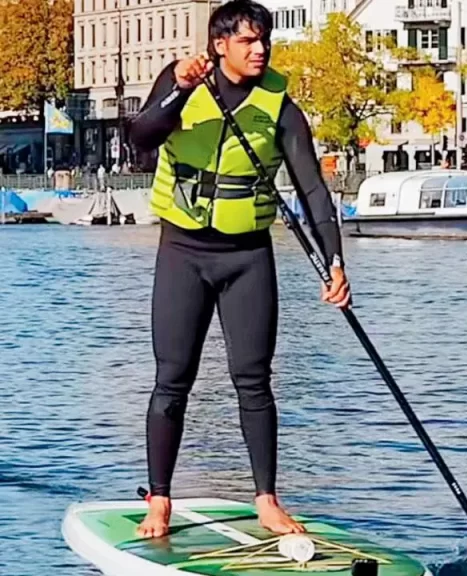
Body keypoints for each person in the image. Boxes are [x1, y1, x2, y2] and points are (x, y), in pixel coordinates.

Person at [128, 0, 351, 539]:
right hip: (183, 252)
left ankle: (267, 501)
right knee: (172, 380)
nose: (260, 50)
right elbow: (141, 138)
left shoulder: (281, 107)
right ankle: (160, 500)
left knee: (254, 381)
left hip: (248, 257)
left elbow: (313, 190)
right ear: (220, 45)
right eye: (248, 41)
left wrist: (334, 260)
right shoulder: (182, 81)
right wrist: (180, 90)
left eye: (264, 40)